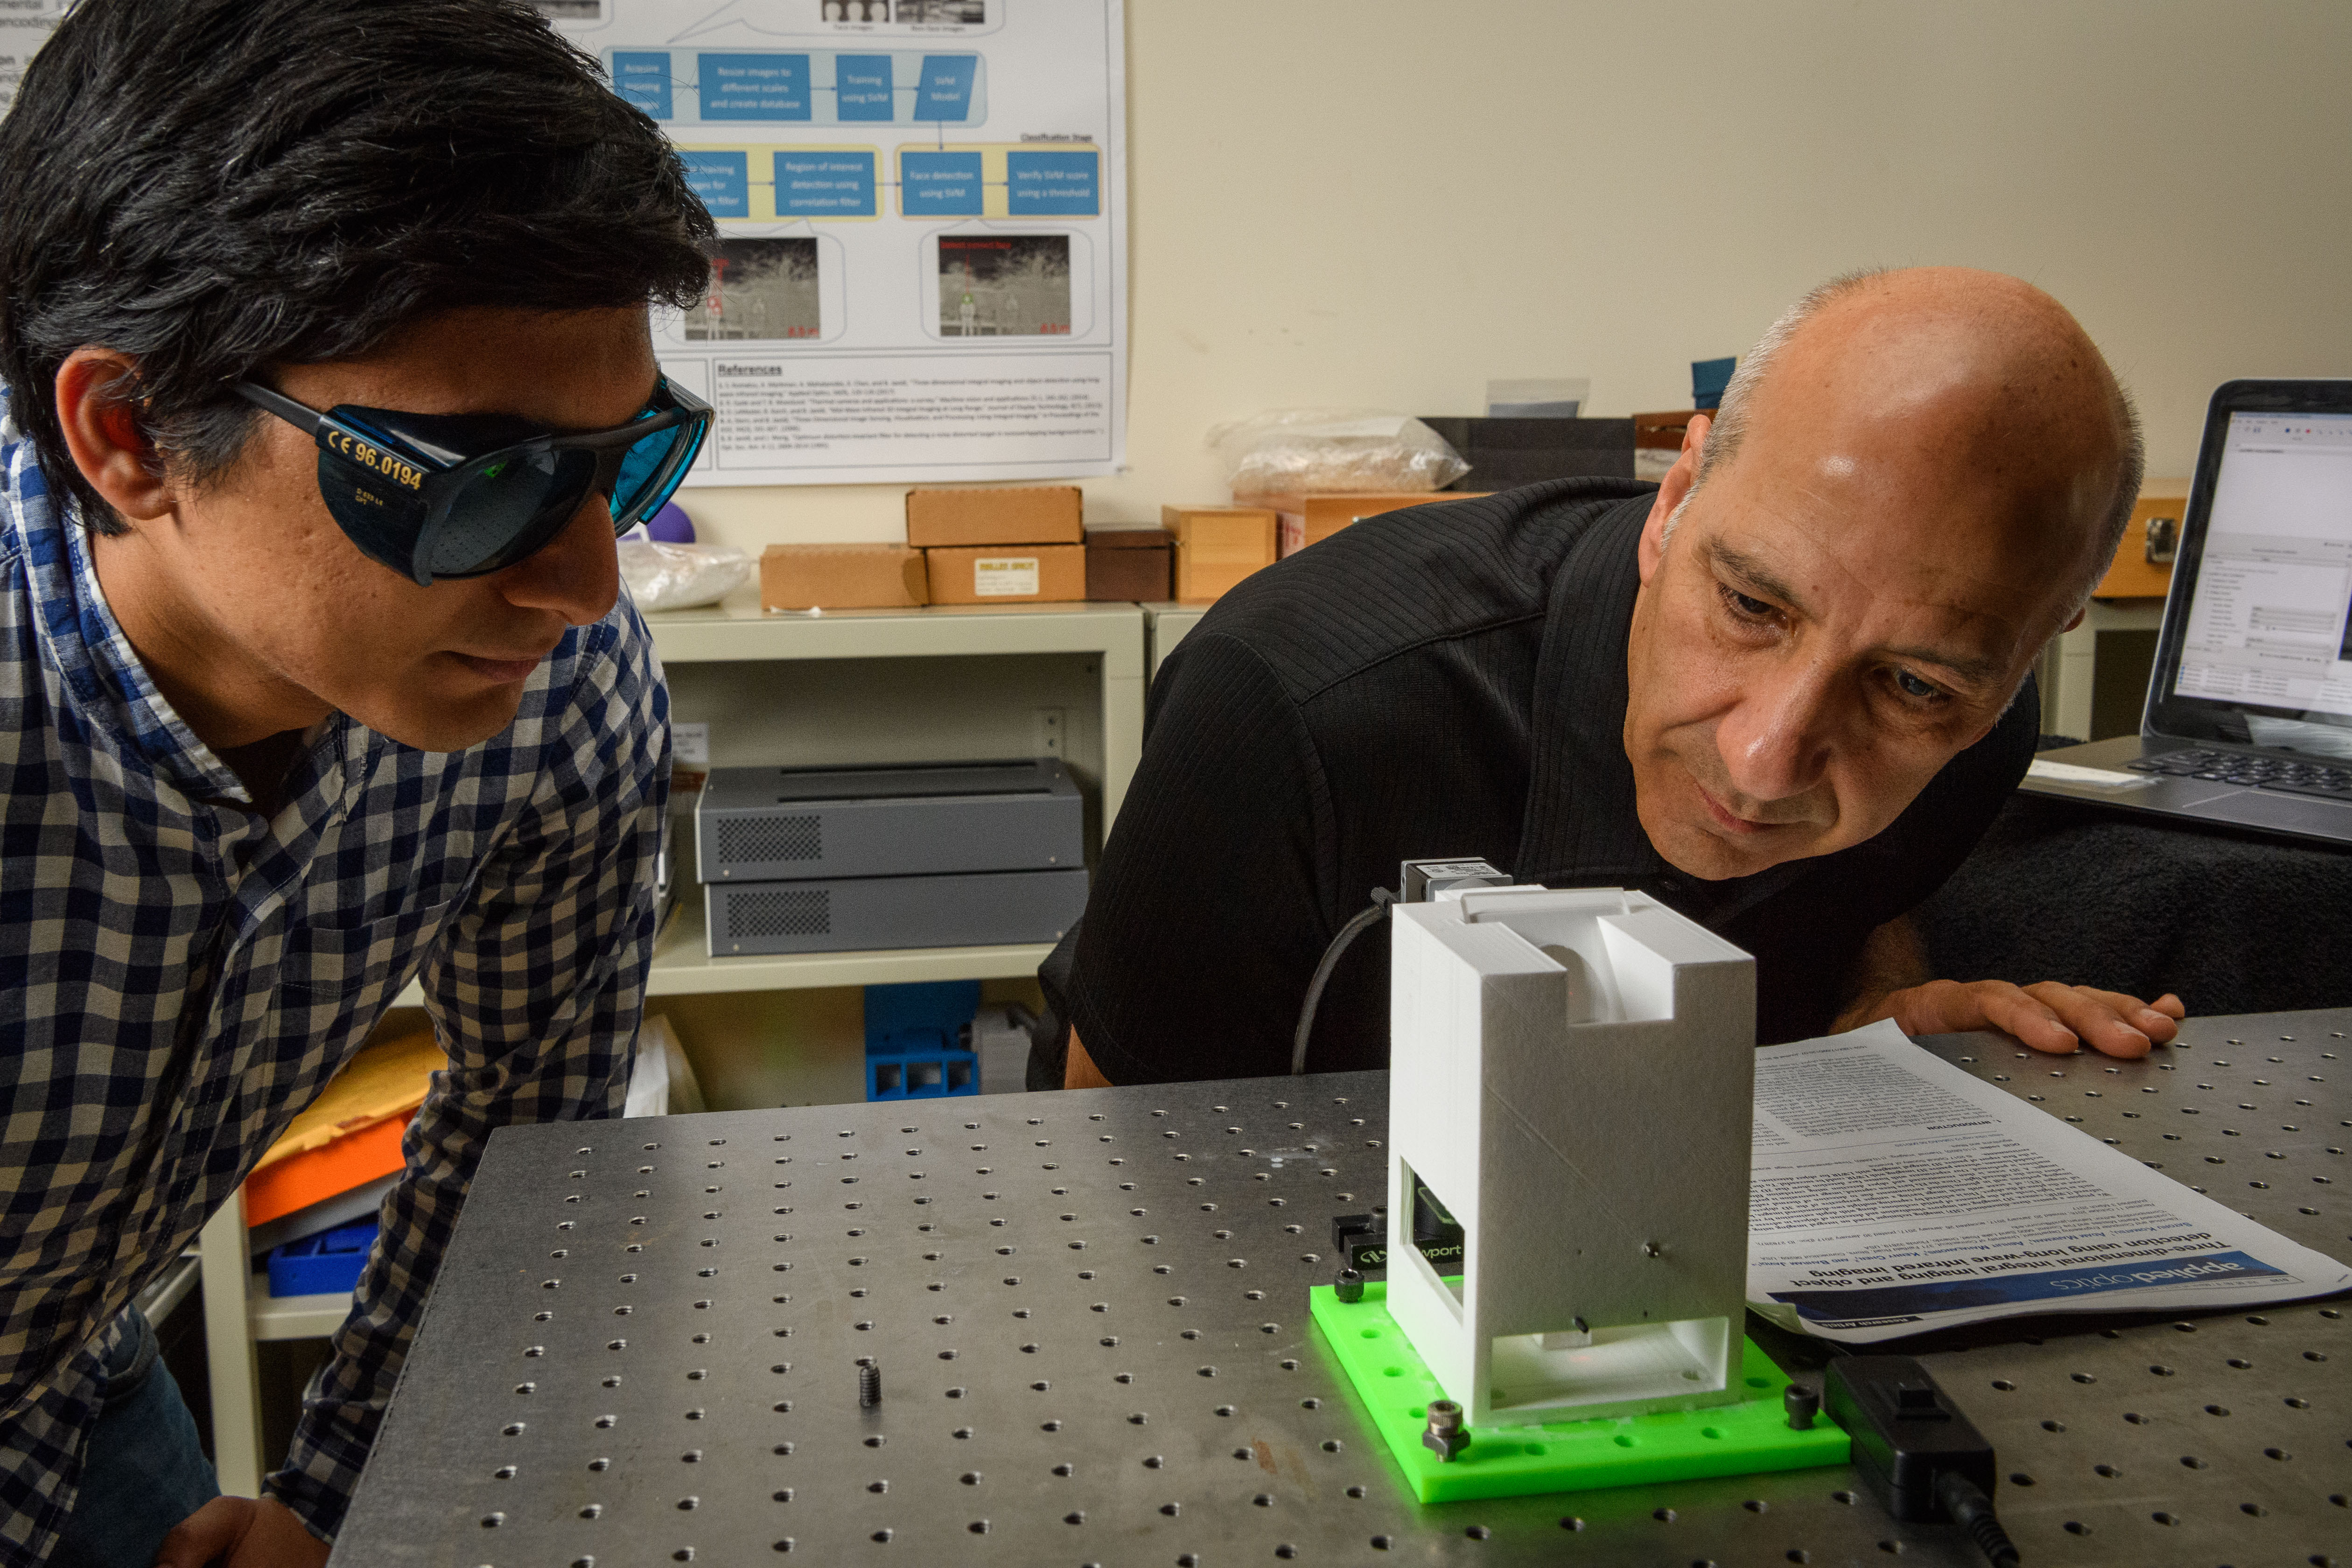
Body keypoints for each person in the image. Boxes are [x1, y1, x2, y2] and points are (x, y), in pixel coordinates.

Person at [0, 2, 715, 1563]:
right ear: (127, 434)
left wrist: (345, 1505)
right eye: (492, 484)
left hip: (69, 1366)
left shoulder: (555, 704)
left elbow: (529, 1155)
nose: (588, 584)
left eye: (625, 463)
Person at [1049, 267, 2187, 1092]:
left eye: (1908, 687)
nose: (1764, 761)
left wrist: (1870, 1027)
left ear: (2038, 641)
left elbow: (1863, 899)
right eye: (1751, 606)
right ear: (1677, 498)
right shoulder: (1297, 705)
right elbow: (1129, 1176)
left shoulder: (1981, 729)